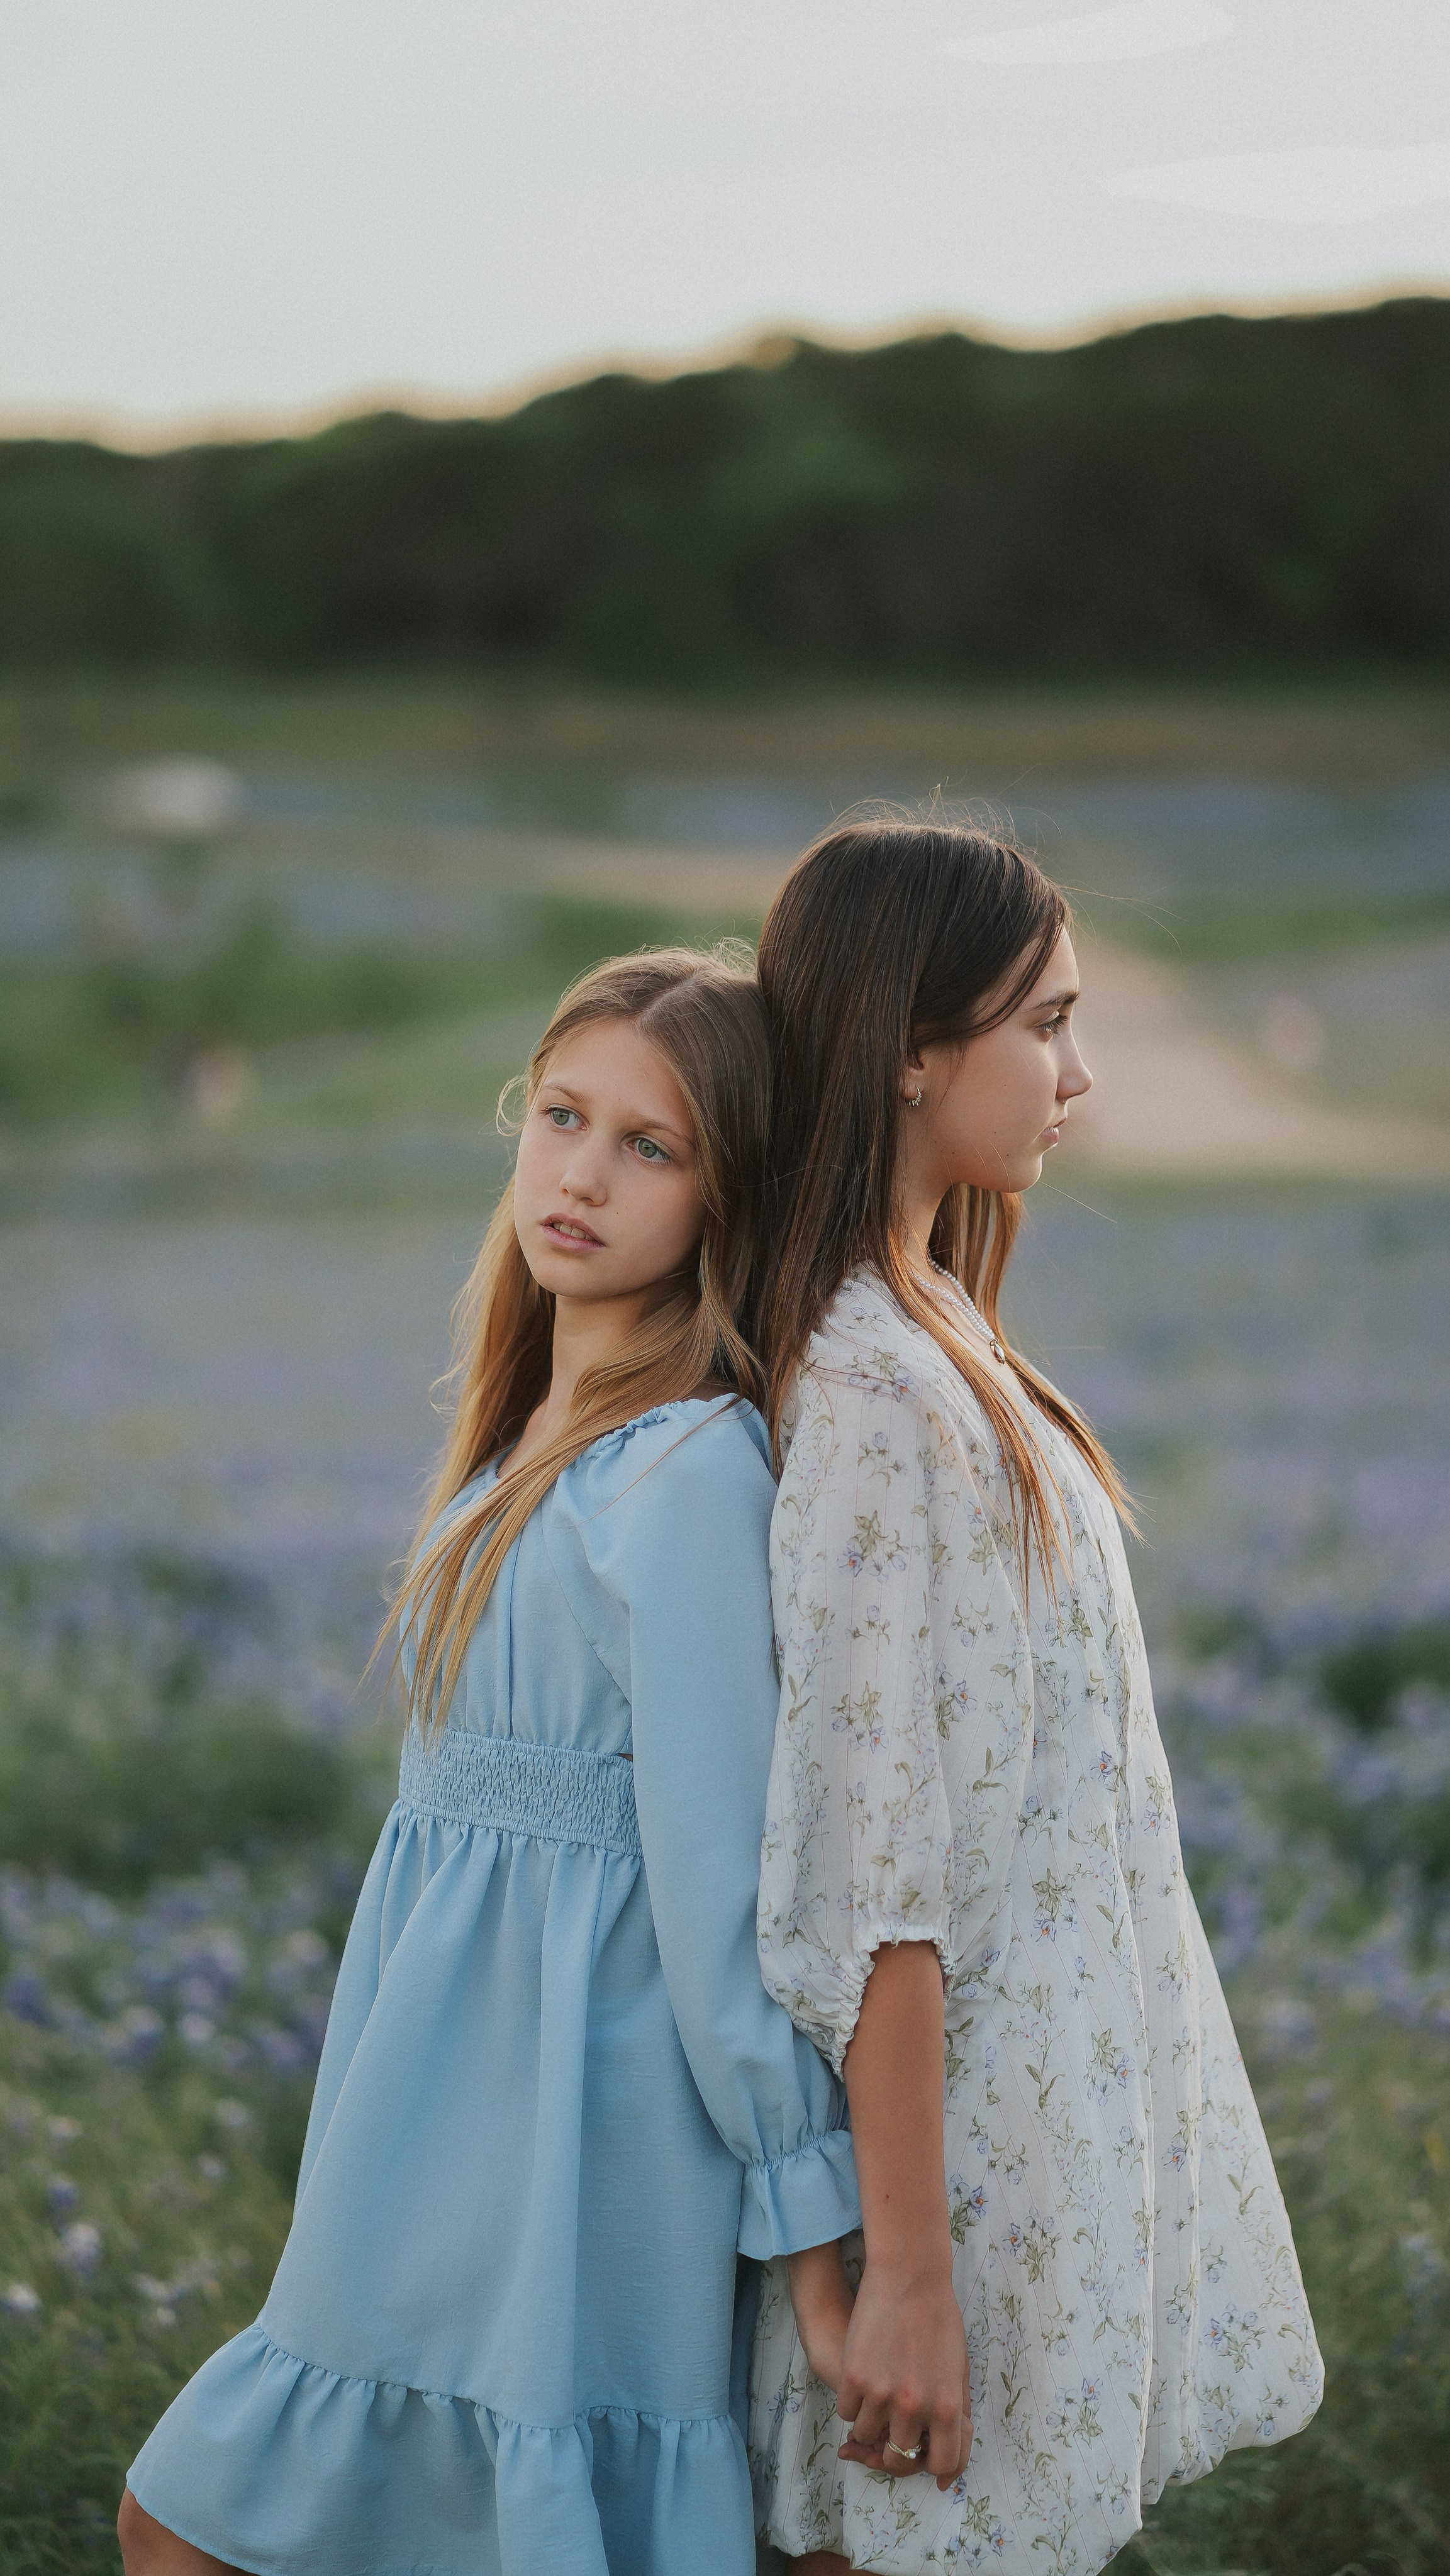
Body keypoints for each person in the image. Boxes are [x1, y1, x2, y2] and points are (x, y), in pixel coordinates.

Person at [119, 949, 860, 2576]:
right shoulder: (535, 1428)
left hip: (574, 2113)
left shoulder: (684, 1474)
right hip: (430, 2076)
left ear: (723, 1195)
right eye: (559, 1116)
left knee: (202, 2521)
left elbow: (716, 1874)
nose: (579, 1175)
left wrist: (810, 2219)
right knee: (207, 2518)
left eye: (649, 1148)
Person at [746, 823, 1324, 2576]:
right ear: (908, 1048)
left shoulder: (939, 1341)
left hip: (1041, 2133)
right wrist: (908, 2274)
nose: (1080, 1074)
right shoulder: (866, 1395)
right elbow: (876, 1882)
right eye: (1044, 1024)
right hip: (965, 2176)